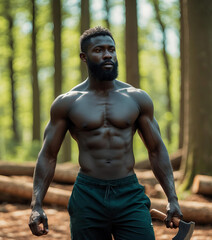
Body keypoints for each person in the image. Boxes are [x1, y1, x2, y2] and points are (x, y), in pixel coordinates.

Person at [29, 26, 182, 239]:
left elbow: (156, 150)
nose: (107, 54)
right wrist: (36, 205)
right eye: (99, 50)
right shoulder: (67, 103)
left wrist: (172, 199)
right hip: (88, 194)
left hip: (129, 192)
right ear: (84, 57)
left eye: (111, 49)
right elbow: (48, 155)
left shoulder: (137, 98)